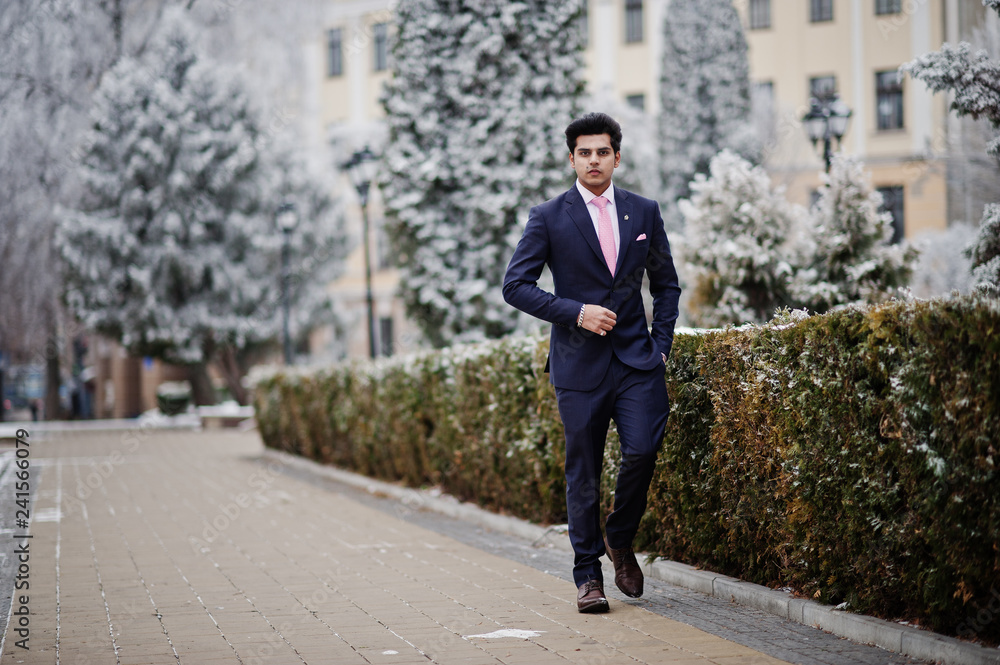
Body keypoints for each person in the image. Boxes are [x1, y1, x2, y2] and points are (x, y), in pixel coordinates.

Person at [502, 112, 681, 613]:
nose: (594, 160)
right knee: (583, 472)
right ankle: (588, 576)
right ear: (572, 158)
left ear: (616, 157)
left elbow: (666, 285)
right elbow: (515, 286)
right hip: (578, 367)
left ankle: (619, 540)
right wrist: (575, 312)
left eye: (602, 151)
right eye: (584, 152)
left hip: (636, 362)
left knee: (643, 450)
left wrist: (660, 344)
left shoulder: (644, 211)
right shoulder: (548, 216)